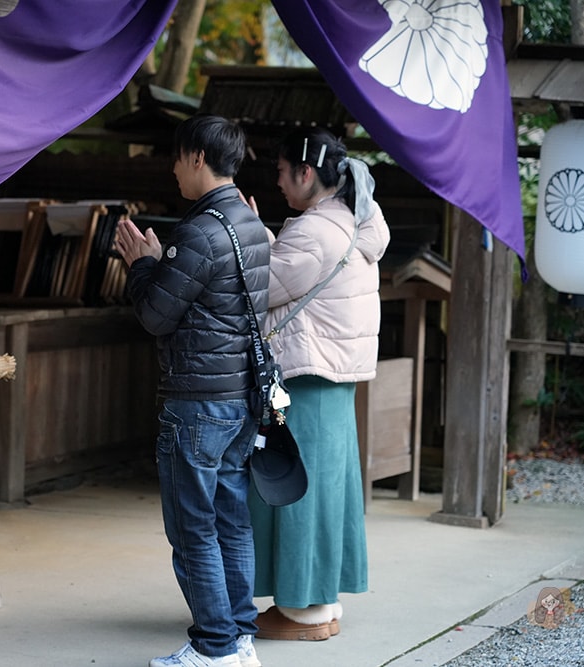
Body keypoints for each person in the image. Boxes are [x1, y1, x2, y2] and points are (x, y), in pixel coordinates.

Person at [114, 114, 270, 667]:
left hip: (199, 403)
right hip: (239, 398)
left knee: (193, 527)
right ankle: (239, 637)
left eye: (178, 158)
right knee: (230, 518)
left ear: (197, 158)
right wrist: (162, 264)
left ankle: (214, 647)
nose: (175, 169)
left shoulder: (199, 231)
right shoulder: (252, 225)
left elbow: (156, 316)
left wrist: (142, 266)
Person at [246, 127, 390, 641]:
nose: (279, 183)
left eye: (283, 173)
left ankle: (302, 611)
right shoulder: (354, 221)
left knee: (294, 489)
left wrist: (250, 234)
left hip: (306, 376)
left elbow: (259, 290)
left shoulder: (312, 231)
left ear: (307, 173)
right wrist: (269, 236)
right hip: (333, 376)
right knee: (327, 489)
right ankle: (321, 604)